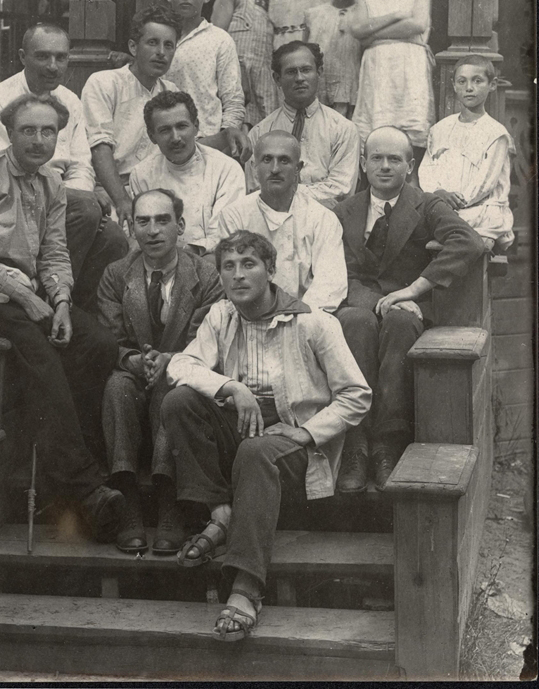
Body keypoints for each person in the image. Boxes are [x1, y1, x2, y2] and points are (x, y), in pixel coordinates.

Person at [161, 230, 370, 641]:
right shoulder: (221, 316)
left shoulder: (314, 323)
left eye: (249, 264)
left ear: (271, 271)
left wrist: (305, 434)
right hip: (242, 437)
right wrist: (232, 389)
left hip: (294, 450)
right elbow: (181, 365)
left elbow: (357, 396)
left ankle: (245, 588)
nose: (238, 276)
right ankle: (222, 513)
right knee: (179, 401)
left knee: (257, 451)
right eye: (228, 267)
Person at [0, 93, 125, 541]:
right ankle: (85, 486)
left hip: (34, 291)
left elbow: (55, 254)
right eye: (29, 130)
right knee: (39, 352)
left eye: (48, 131)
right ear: (9, 133)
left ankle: (59, 476)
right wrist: (26, 300)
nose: (39, 140)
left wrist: (61, 301)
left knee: (97, 343)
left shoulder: (52, 184)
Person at [334, 126, 485, 492]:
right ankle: (356, 443)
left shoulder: (427, 203)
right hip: (358, 301)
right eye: (377, 158)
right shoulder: (344, 210)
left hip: (409, 308)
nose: (385, 166)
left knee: (401, 324)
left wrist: (415, 290)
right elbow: (339, 269)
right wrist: (373, 303)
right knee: (354, 323)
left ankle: (388, 442)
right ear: (362, 164)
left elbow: (469, 242)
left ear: (410, 164)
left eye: (395, 159)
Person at [97, 189, 224, 555]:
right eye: (143, 221)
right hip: (133, 370)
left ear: (180, 226)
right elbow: (110, 338)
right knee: (117, 387)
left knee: (170, 392)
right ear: (132, 227)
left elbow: (207, 338)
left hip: (185, 368)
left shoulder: (206, 276)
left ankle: (170, 503)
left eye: (162, 220)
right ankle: (129, 502)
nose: (153, 231)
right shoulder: (117, 275)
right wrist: (135, 361)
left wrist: (170, 360)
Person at [0, 23, 128, 309]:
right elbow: (10, 170)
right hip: (7, 205)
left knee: (114, 239)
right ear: (22, 57)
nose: (53, 66)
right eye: (43, 56)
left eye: (61, 57)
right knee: (86, 207)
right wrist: (74, 199)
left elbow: (81, 166)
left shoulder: (70, 101)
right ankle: (43, 299)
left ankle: (73, 308)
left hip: (58, 201)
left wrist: (70, 196)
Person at [217, 131, 347, 314]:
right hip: (251, 315)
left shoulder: (321, 218)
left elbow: (330, 283)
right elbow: (233, 279)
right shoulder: (234, 215)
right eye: (267, 160)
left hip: (306, 317)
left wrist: (297, 317)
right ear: (254, 166)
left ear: (298, 168)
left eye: (284, 160)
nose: (275, 169)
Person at [81, 5, 181, 234]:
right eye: (152, 42)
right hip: (110, 189)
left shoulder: (171, 91)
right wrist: (122, 200)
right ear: (133, 47)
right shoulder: (105, 83)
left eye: (169, 45)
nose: (161, 52)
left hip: (157, 189)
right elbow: (100, 148)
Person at [350, 0, 435, 173]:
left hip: (409, 67)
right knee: (378, 135)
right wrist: (397, 17)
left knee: (408, 135)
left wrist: (374, 34)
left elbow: (418, 24)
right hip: (378, 69)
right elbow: (358, 32)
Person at [130, 91, 246, 259]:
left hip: (211, 257)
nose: (176, 138)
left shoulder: (226, 169)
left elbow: (226, 232)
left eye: (182, 126)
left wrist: (189, 252)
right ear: (152, 136)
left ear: (196, 126)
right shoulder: (142, 174)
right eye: (165, 130)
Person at [418, 55, 515, 252]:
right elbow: (427, 168)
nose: (469, 88)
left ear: (492, 84)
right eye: (462, 81)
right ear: (454, 85)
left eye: (477, 81)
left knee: (459, 228)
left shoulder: (496, 133)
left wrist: (458, 201)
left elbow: (485, 183)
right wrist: (438, 193)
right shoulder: (440, 129)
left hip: (478, 208)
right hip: (442, 204)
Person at [246, 42, 360, 208]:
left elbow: (341, 190)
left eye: (306, 70)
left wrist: (281, 193)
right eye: (291, 72)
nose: (299, 78)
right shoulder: (259, 133)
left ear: (319, 72)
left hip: (325, 222)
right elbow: (255, 190)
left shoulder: (343, 129)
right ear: (277, 79)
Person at [164, 0, 250, 162]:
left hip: (206, 141)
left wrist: (223, 138)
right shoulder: (160, 39)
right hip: (164, 139)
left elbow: (233, 98)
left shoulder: (219, 39)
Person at [211, 0, 281, 128]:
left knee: (266, 126)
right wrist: (237, 71)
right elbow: (216, 35)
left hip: (264, 76)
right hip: (237, 71)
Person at [303, 0, 367, 118]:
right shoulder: (313, 15)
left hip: (352, 95)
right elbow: (306, 56)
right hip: (319, 93)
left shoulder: (365, 16)